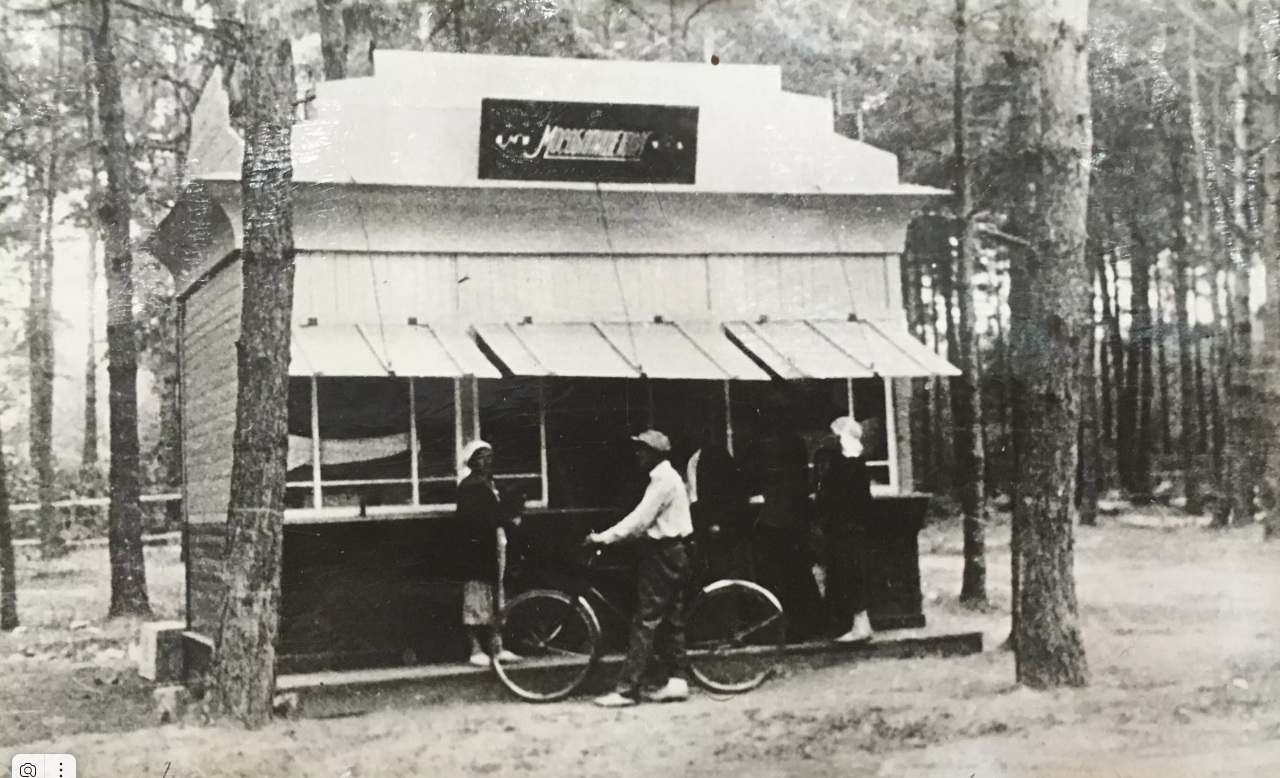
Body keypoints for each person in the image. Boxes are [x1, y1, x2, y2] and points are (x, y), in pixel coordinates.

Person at [587, 430, 695, 707]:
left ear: (656, 454)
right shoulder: (665, 478)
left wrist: (603, 538)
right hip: (674, 552)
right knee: (671, 620)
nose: (638, 455)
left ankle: (627, 690)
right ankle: (678, 681)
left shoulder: (663, 481)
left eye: (642, 450)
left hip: (663, 554)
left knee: (645, 621)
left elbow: (639, 520)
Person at [752, 427, 825, 641]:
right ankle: (808, 625)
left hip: (779, 521)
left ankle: (792, 628)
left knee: (787, 576)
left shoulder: (773, 447)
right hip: (793, 519)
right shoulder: (793, 446)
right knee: (799, 575)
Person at [456, 440, 523, 667]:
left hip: (494, 545)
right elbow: (479, 518)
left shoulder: (491, 484)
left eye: (490, 457)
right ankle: (475, 648)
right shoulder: (469, 486)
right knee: (476, 595)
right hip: (476, 548)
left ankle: (497, 646)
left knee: (497, 594)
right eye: (482, 457)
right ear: (472, 461)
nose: (487, 461)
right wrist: (505, 520)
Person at [815, 416, 876, 643]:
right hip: (851, 527)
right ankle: (853, 624)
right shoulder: (856, 462)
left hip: (846, 528)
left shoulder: (846, 464)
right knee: (847, 574)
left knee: (851, 574)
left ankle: (860, 626)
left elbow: (834, 496)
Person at [686, 437, 748, 585]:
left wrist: (714, 522)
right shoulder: (697, 460)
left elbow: (699, 497)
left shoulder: (708, 459)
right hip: (718, 525)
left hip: (719, 526)